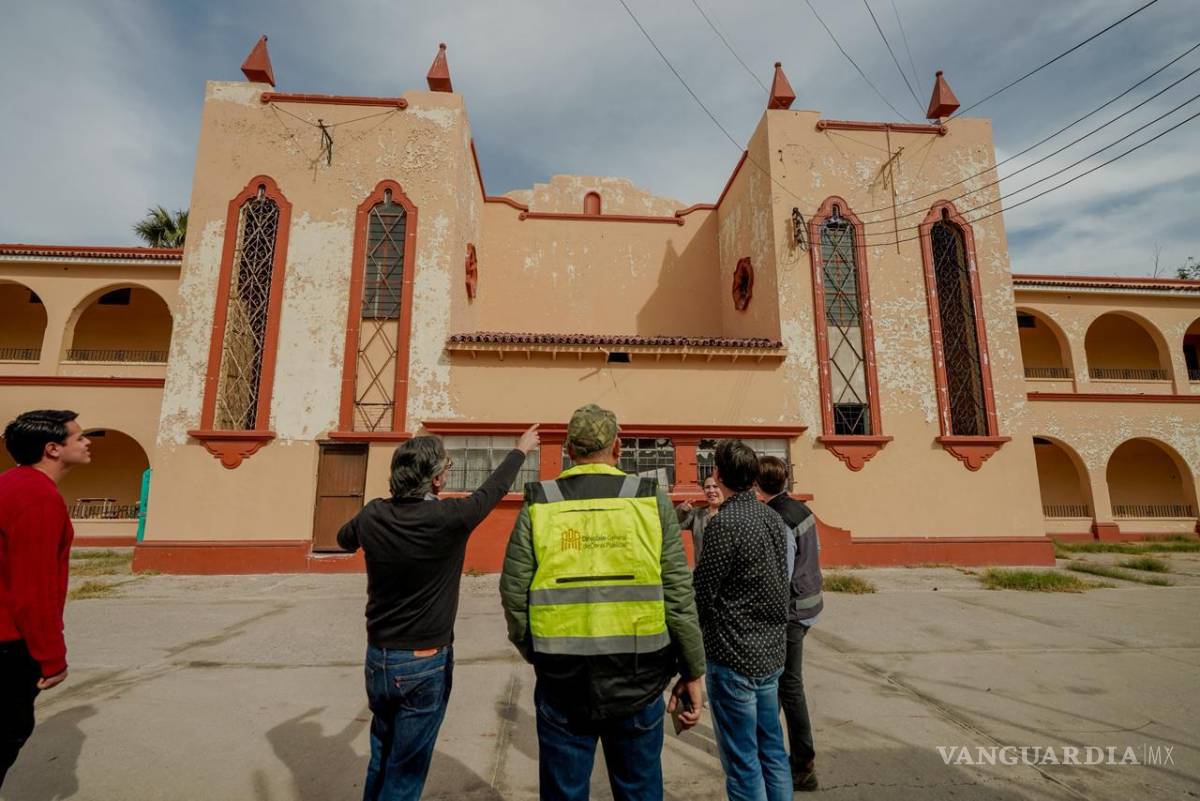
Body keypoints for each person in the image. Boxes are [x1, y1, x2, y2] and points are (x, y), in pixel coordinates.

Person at [500, 404, 705, 801]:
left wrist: (535, 650)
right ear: (618, 446)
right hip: (639, 680)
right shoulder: (650, 499)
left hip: (561, 679)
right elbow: (678, 592)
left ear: (569, 451)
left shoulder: (541, 502)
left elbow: (513, 592)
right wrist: (693, 670)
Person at [337, 424, 539, 801]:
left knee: (381, 756)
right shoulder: (450, 518)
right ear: (433, 480)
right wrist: (520, 451)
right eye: (444, 467)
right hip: (423, 662)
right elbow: (492, 491)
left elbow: (343, 540)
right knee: (405, 774)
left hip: (378, 659)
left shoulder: (373, 515)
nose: (447, 473)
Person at [693, 440, 791, 801]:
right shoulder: (772, 518)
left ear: (718, 474)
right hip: (769, 654)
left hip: (734, 657)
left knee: (743, 761)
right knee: (772, 750)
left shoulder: (726, 524)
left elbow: (703, 591)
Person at [0, 410, 91, 788]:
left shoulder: (10, 484)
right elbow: (34, 588)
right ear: (53, 449)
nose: (87, 443)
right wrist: (52, 658)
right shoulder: (38, 498)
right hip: (9, 643)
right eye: (79, 437)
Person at [758, 455, 823, 792]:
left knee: (787, 686)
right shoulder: (803, 511)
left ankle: (802, 765)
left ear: (758, 485)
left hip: (790, 613)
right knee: (783, 685)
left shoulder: (778, 518)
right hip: (808, 606)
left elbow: (780, 573)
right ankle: (771, 750)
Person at [675, 475, 723, 563]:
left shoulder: (732, 513)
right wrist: (682, 511)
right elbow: (674, 524)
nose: (711, 491)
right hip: (703, 571)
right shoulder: (697, 514)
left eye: (715, 486)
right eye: (707, 487)